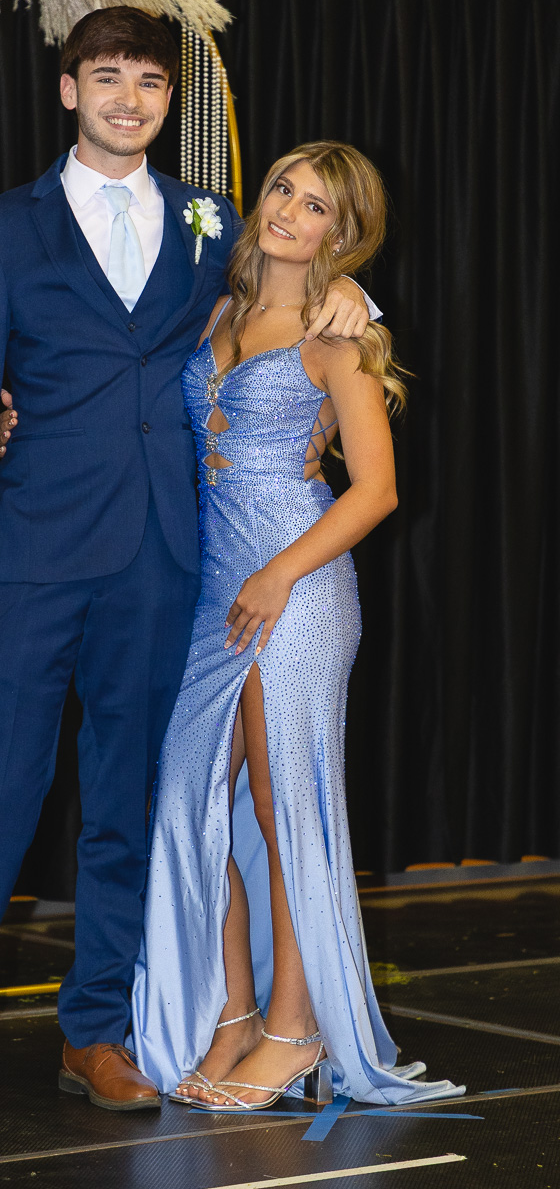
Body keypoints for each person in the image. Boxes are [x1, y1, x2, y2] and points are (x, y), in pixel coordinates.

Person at [0, 6, 372, 1123]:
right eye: (106, 77)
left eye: (148, 83)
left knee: (130, 805)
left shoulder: (215, 224)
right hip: (27, 558)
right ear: (70, 92)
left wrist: (355, 291)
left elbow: (290, 297)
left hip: (165, 561)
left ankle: (96, 1030)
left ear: (169, 101)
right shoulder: (2, 230)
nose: (127, 99)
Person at [129, 142, 466, 1109]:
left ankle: (295, 1028)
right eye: (283, 188)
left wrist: (279, 576)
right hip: (216, 592)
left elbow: (378, 490)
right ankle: (234, 1013)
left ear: (343, 233)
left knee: (283, 812)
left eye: (317, 206)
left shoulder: (338, 333)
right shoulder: (219, 309)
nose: (288, 210)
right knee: (191, 802)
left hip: (300, 587)